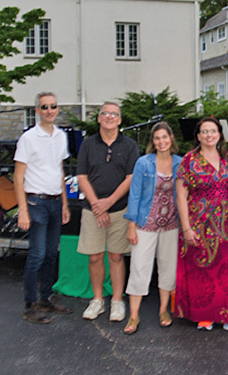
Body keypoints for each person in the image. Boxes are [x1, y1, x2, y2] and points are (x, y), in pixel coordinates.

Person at [174, 117, 228, 335]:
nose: (208, 135)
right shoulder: (189, 160)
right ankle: (204, 315)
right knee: (200, 272)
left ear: (219, 135)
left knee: (224, 272)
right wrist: (186, 227)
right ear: (198, 136)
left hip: (223, 224)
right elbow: (181, 195)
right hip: (197, 222)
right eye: (204, 132)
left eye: (212, 131)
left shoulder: (227, 159)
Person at [77, 102, 138, 322]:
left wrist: (109, 202)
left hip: (120, 209)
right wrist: (97, 205)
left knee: (116, 256)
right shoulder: (87, 144)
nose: (110, 117)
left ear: (120, 120)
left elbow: (131, 178)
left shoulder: (129, 145)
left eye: (114, 114)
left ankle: (118, 301)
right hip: (92, 210)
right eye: (105, 114)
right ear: (99, 118)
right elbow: (81, 177)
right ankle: (97, 300)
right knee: (94, 257)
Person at [14, 91, 72, 324]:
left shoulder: (60, 136)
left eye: (53, 106)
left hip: (55, 202)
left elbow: (59, 170)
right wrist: (23, 210)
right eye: (44, 107)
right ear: (37, 111)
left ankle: (46, 298)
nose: (49, 110)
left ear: (57, 109)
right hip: (35, 202)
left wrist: (65, 204)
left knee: (51, 254)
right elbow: (18, 178)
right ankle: (30, 305)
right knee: (36, 255)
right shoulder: (28, 138)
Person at [122, 122, 182, 335]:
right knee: (139, 268)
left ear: (171, 138)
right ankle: (134, 315)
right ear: (152, 141)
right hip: (144, 224)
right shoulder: (143, 163)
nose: (161, 141)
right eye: (157, 138)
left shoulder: (180, 163)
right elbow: (135, 194)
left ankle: (163, 310)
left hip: (172, 226)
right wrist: (131, 224)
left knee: (168, 269)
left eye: (164, 137)